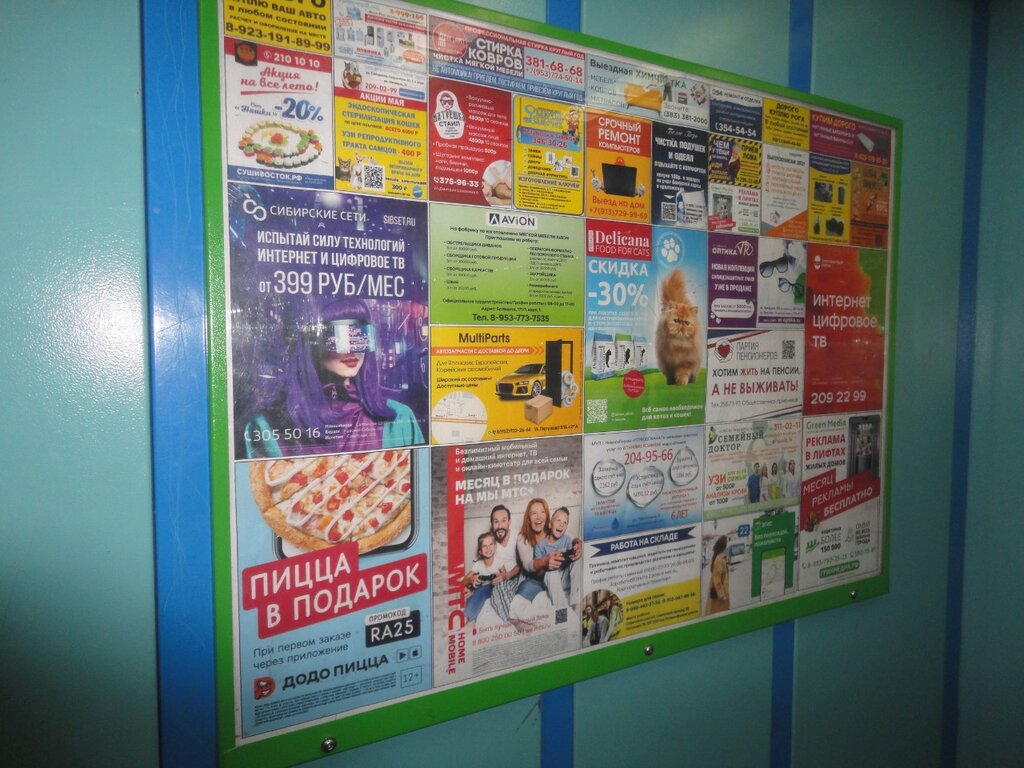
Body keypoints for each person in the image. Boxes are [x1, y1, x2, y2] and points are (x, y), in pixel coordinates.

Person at [243, 297, 423, 457]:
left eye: (360, 336)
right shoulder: (266, 427)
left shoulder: (400, 418)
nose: (352, 350)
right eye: (339, 337)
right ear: (311, 343)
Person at [532, 506, 580, 608]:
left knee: (577, 561)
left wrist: (575, 549)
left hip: (564, 578)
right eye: (558, 520)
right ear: (550, 524)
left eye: (565, 522)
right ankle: (561, 608)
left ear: (566, 528)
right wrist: (547, 566)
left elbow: (573, 555)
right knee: (551, 572)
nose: (561, 524)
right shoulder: (540, 545)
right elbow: (538, 573)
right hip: (550, 581)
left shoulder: (567, 539)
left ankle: (575, 603)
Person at [463, 532, 500, 623]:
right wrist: (472, 579)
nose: (488, 548)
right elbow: (464, 580)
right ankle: (466, 617)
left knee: (481, 591)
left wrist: (500, 577)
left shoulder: (499, 562)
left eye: (491, 544)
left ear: (495, 546)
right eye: (484, 546)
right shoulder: (478, 565)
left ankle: (469, 618)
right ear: (480, 551)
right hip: (482, 589)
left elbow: (506, 577)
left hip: (495, 588)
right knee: (473, 594)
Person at [705, 536, 730, 615]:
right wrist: (722, 595)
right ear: (724, 546)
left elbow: (720, 573)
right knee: (719, 614)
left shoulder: (720, 557)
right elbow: (717, 580)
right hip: (719, 597)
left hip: (720, 594)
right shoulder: (719, 559)